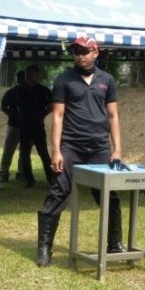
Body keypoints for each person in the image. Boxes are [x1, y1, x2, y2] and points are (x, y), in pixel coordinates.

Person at [35, 36, 125, 267]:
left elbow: (113, 116)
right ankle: (44, 248)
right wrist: (56, 151)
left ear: (96, 52)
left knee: (109, 196)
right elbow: (57, 116)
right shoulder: (64, 80)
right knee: (57, 192)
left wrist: (117, 149)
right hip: (71, 146)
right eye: (76, 51)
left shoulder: (108, 80)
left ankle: (114, 243)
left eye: (84, 51)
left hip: (99, 148)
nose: (80, 55)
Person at [18, 64, 54, 188]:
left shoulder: (43, 90)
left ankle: (51, 178)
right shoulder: (20, 90)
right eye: (27, 74)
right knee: (24, 153)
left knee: (43, 153)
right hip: (24, 126)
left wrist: (42, 115)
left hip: (38, 126)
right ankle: (29, 179)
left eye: (31, 74)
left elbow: (51, 106)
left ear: (37, 76)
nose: (29, 77)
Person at [0, 70, 26, 185]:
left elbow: (3, 107)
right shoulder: (12, 92)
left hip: (23, 125)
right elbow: (3, 107)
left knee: (21, 151)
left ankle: (16, 172)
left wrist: (10, 113)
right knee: (11, 150)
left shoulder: (24, 92)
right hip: (14, 125)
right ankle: (7, 173)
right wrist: (11, 114)